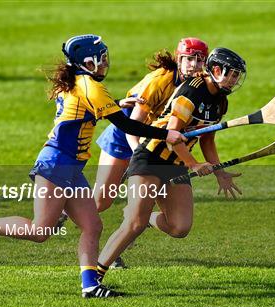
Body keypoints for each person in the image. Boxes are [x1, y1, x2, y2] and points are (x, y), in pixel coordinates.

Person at [0, 34, 185, 298]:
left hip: (72, 168)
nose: (105, 64)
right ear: (87, 63)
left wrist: (116, 104)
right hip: (56, 164)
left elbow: (84, 109)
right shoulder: (90, 87)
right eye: (100, 60)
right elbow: (126, 125)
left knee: (93, 225)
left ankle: (90, 286)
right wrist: (166, 134)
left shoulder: (79, 82)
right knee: (40, 231)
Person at [93, 48, 246, 287]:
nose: (235, 80)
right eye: (232, 74)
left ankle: (146, 216)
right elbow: (171, 136)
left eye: (237, 75)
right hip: (151, 157)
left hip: (175, 165)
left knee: (179, 227)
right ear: (216, 70)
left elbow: (207, 139)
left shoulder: (220, 101)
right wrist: (193, 164)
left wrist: (219, 172)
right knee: (134, 225)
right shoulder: (192, 91)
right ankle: (93, 279)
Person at [56, 38, 209, 268]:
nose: (194, 65)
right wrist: (140, 157)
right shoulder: (160, 81)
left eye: (200, 60)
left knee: (141, 212)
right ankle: (58, 211)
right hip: (126, 137)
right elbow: (132, 123)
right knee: (101, 200)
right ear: (179, 59)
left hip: (156, 144)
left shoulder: (200, 86)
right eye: (189, 59)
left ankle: (111, 252)